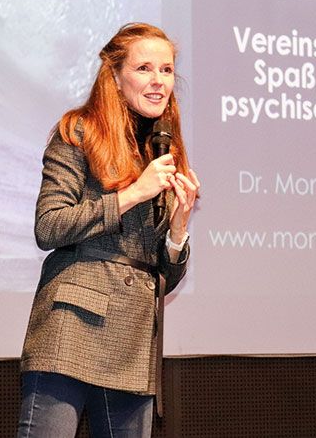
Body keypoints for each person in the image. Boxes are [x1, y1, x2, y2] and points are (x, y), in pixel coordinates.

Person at [17, 22, 200, 438]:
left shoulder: (163, 149)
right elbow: (49, 226)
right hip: (73, 327)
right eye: (144, 68)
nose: (158, 81)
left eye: (167, 70)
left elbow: (162, 278)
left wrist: (178, 229)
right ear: (115, 77)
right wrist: (133, 194)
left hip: (134, 341)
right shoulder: (78, 131)